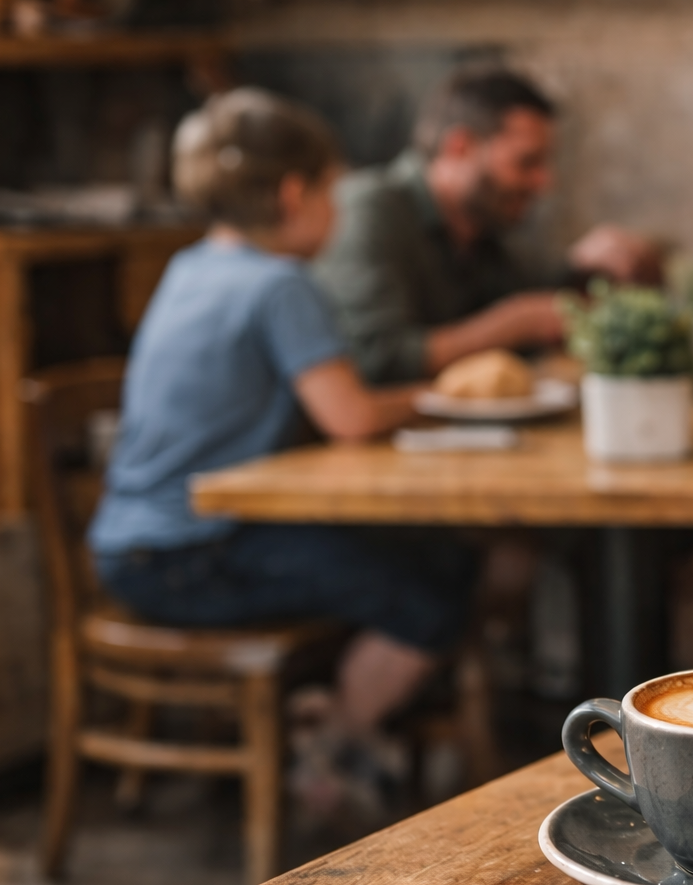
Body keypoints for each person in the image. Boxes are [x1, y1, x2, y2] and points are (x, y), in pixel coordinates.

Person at [89, 89, 478, 813]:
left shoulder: (191, 265)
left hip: (128, 549)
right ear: (294, 194)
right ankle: (336, 747)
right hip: (195, 555)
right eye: (336, 192)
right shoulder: (280, 284)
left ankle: (330, 723)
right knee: (430, 596)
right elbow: (352, 416)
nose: (341, 213)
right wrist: (439, 394)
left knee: (421, 560)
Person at [311, 67, 660, 384]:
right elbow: (378, 359)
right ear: (459, 147)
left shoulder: (484, 229)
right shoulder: (368, 210)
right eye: (526, 162)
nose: (544, 182)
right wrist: (515, 323)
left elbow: (537, 296)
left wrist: (580, 265)